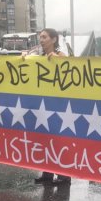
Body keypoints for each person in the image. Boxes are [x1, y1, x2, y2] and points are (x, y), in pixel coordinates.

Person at [33, 28, 71, 186]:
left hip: (58, 105)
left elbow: (69, 72)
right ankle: (47, 173)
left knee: (58, 141)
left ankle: (64, 176)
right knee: (45, 140)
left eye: (45, 37)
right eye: (40, 37)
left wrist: (57, 59)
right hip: (43, 105)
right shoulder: (38, 57)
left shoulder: (61, 56)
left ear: (54, 40)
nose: (41, 40)